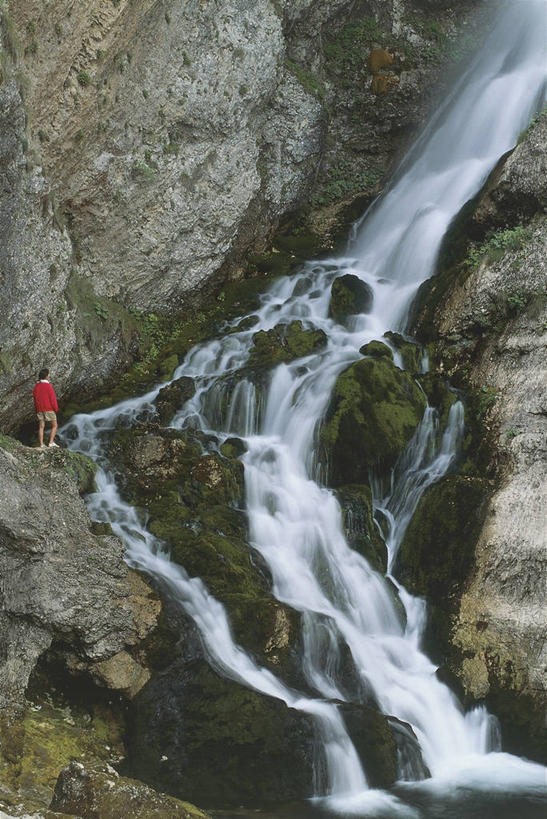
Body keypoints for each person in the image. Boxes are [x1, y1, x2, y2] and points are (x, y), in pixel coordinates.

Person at [32, 368, 59, 448]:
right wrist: (56, 408)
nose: (49, 376)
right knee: (54, 425)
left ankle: (41, 444)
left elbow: (35, 398)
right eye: (48, 375)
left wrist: (37, 409)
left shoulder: (36, 386)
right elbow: (53, 399)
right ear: (46, 376)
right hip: (49, 409)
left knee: (41, 426)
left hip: (40, 409)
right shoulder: (48, 386)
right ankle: (51, 442)